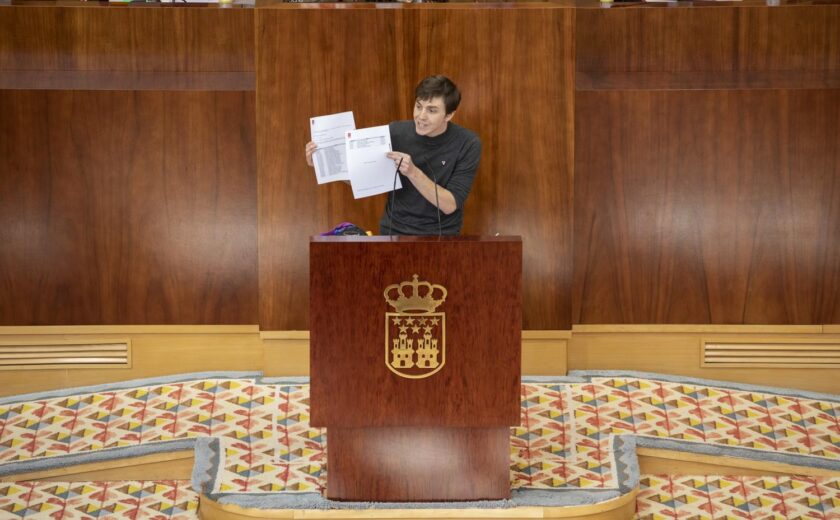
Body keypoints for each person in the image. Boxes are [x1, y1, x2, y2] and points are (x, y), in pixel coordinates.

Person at [305, 75, 481, 235]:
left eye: (432, 110)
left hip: (441, 237)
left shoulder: (468, 143)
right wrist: (324, 164)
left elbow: (450, 205)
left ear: (449, 115)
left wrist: (413, 172)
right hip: (393, 233)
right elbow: (364, 180)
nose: (421, 116)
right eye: (418, 106)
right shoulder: (395, 132)